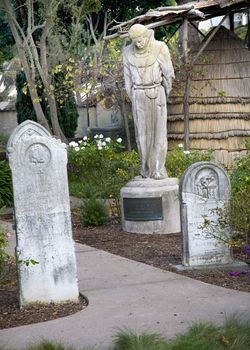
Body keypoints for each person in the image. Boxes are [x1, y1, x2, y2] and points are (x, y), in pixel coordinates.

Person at [123, 23, 175, 179]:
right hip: (138, 94)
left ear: (146, 36)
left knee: (158, 132)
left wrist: (164, 92)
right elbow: (127, 79)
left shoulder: (160, 47)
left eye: (140, 40)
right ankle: (145, 168)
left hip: (156, 93)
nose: (138, 44)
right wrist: (133, 95)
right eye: (135, 41)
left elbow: (168, 74)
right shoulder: (127, 52)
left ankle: (158, 168)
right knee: (142, 134)